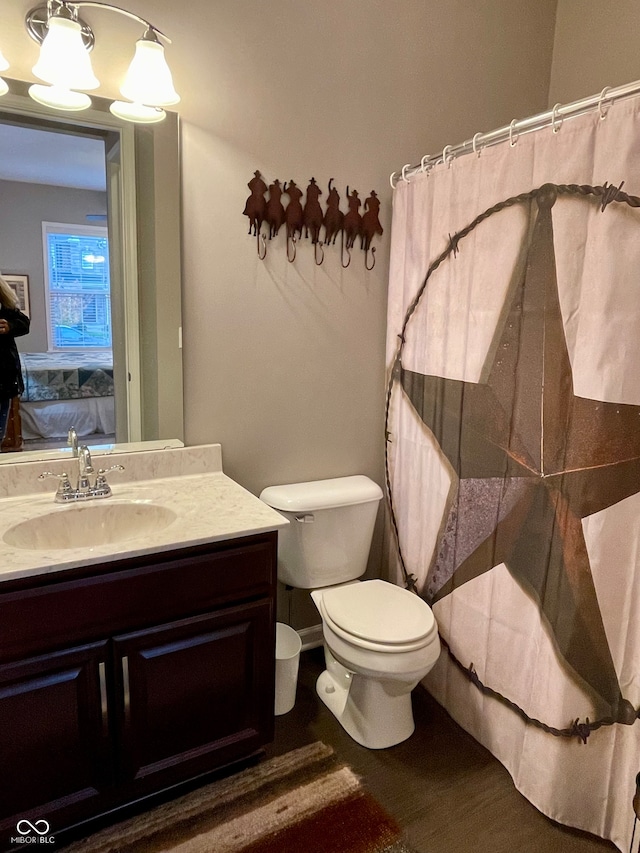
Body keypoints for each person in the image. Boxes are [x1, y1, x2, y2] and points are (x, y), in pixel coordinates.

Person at [0, 274, 30, 443]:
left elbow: (24, 323)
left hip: (4, 379)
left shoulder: (5, 308)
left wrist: (9, 326)